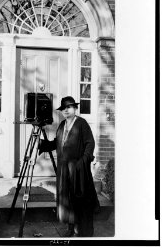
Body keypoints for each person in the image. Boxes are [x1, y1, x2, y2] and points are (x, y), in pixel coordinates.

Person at [39, 96, 100, 237]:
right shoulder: (61, 125)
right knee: (67, 200)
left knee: (79, 200)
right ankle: (70, 227)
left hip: (78, 170)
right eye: (63, 108)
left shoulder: (82, 123)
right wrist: (42, 143)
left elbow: (89, 143)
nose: (66, 110)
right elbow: (56, 143)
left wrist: (83, 161)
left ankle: (81, 230)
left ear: (75, 109)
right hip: (64, 170)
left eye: (69, 107)